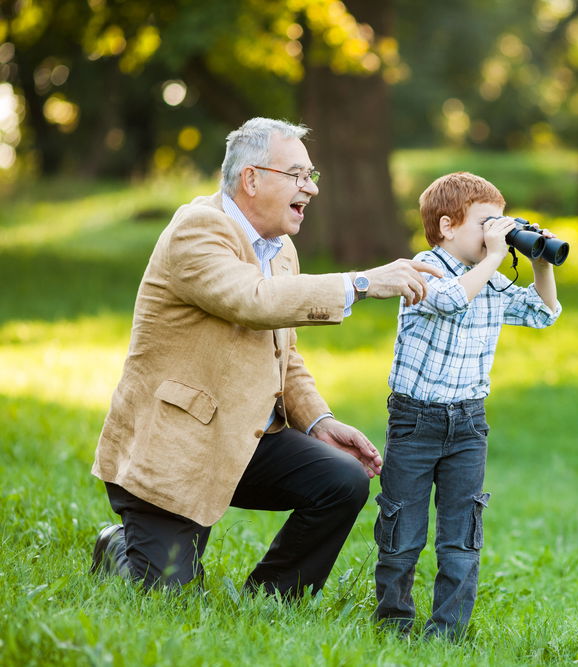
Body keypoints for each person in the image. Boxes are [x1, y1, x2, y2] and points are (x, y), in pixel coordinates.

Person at [89, 117, 442, 597]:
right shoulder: (197, 229)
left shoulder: (281, 251)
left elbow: (284, 353)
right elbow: (251, 301)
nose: (310, 189)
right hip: (176, 448)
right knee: (166, 598)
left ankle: (270, 597)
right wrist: (361, 282)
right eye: (298, 174)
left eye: (311, 176)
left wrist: (318, 421)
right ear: (251, 178)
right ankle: (118, 546)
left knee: (342, 480)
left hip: (245, 437)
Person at [373, 172, 562, 639]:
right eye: (487, 222)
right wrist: (497, 255)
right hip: (415, 422)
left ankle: (447, 634)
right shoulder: (422, 268)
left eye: (502, 222)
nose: (496, 232)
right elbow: (452, 301)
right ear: (448, 226)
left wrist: (541, 260)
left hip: (469, 425)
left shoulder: (492, 282)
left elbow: (543, 313)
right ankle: (394, 623)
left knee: (462, 534)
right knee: (403, 532)